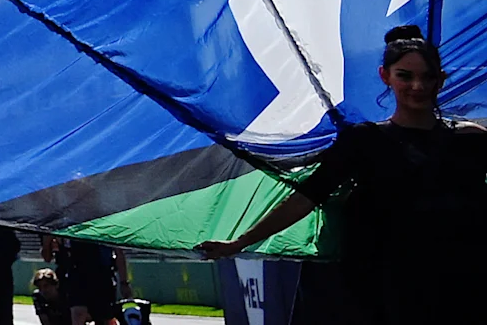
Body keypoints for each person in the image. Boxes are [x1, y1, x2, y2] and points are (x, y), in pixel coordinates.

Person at [202, 23, 487, 325]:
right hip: (382, 285)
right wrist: (240, 243)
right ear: (385, 76)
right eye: (405, 75)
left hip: (459, 282)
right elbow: (307, 197)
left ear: (441, 80)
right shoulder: (364, 141)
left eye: (427, 77)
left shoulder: (471, 140)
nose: (417, 86)